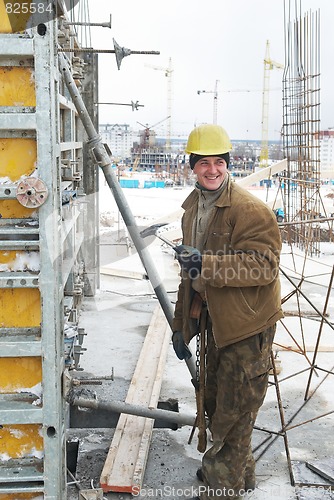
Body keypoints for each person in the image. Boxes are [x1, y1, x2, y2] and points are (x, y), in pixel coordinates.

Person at [171, 124, 283, 500]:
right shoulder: (194, 208)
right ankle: (239, 477)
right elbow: (190, 277)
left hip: (246, 328)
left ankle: (222, 488)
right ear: (193, 166)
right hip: (215, 324)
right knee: (221, 404)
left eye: (219, 162)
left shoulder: (250, 210)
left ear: (228, 164)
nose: (212, 170)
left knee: (233, 416)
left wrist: (207, 263)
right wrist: (180, 327)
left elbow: (263, 266)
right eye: (204, 163)